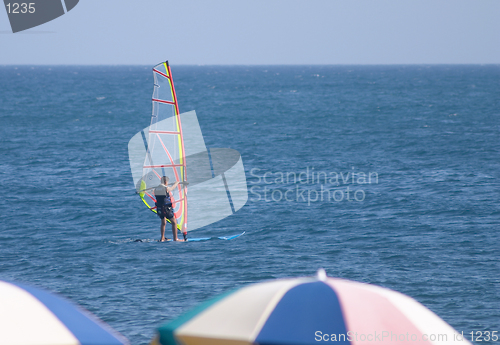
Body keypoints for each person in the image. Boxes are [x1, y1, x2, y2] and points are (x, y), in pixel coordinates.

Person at [154, 176, 187, 242]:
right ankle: (176, 238)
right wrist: (176, 183)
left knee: (163, 222)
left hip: (159, 209)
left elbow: (153, 192)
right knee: (174, 222)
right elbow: (171, 188)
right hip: (166, 209)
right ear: (166, 182)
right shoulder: (166, 188)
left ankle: (162, 238)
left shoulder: (156, 189)